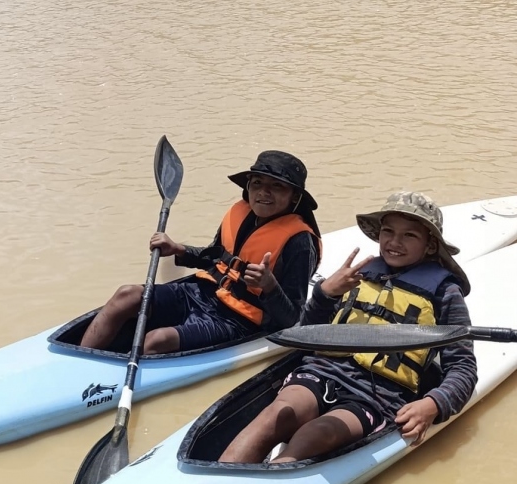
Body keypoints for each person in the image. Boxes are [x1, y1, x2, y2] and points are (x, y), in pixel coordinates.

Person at [220, 192, 477, 464]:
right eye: (387, 231)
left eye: (409, 235)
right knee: (277, 415)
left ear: (429, 246)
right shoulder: (356, 275)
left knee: (316, 434)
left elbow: (463, 367)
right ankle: (220, 475)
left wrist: (433, 404)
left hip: (377, 395)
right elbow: (306, 334)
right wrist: (324, 294)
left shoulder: (445, 294)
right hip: (321, 374)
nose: (394, 242)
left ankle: (273, 477)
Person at [80, 151, 322, 354]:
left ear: (294, 198)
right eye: (257, 183)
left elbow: (292, 319)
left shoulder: (299, 242)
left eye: (276, 186)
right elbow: (217, 257)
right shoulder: (242, 213)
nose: (263, 193)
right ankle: (78, 362)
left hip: (237, 319)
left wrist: (269, 286)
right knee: (126, 295)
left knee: (156, 341)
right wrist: (179, 249)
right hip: (201, 293)